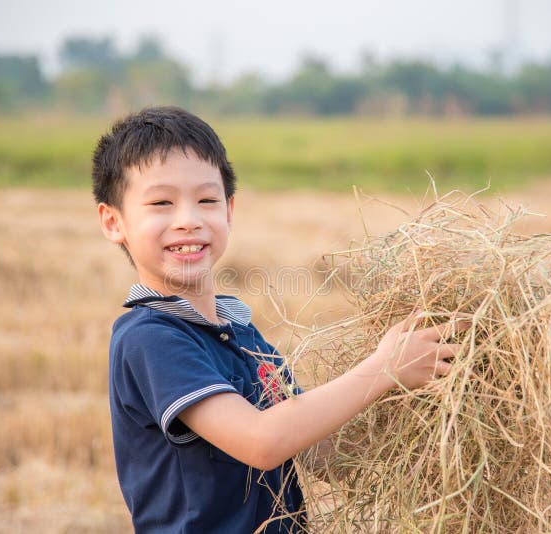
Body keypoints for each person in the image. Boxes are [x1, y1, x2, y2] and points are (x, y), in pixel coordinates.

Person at [93, 106, 464, 533]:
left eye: (207, 200)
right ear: (113, 221)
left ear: (229, 211)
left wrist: (418, 405)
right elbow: (262, 441)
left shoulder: (242, 335)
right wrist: (384, 367)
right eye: (161, 203)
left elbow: (318, 450)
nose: (188, 221)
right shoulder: (150, 337)